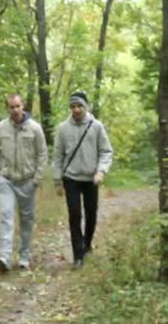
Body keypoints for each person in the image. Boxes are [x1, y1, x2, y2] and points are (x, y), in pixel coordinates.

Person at [0, 93, 48, 272]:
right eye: (11, 107)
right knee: (6, 216)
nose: (15, 110)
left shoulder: (35, 129)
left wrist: (36, 179)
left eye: (17, 106)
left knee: (27, 220)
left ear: (23, 106)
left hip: (27, 181)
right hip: (6, 180)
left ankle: (23, 256)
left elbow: (42, 154)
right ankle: (4, 257)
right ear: (7, 108)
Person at [53, 91, 113, 269]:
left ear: (85, 106)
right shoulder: (63, 128)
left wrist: (101, 171)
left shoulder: (96, 126)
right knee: (74, 215)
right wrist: (57, 180)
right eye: (73, 106)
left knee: (91, 214)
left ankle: (87, 245)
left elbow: (106, 151)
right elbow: (57, 156)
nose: (76, 109)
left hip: (91, 178)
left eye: (79, 106)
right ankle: (78, 254)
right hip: (70, 177)